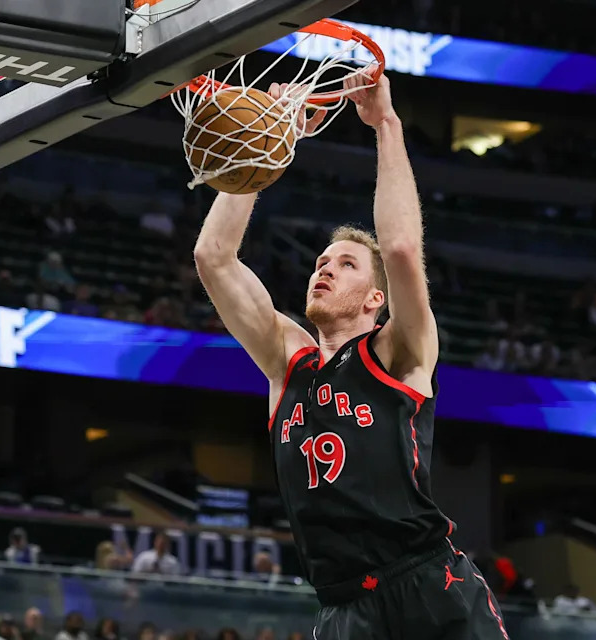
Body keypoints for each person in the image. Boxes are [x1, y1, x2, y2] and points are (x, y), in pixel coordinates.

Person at [193, 72, 509, 640]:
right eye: (321, 260)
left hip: (427, 587)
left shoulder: (397, 351)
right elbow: (214, 257)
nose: (324, 267)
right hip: (342, 612)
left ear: (374, 300)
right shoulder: (286, 360)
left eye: (344, 264)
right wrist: (267, 139)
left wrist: (386, 125)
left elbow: (402, 248)